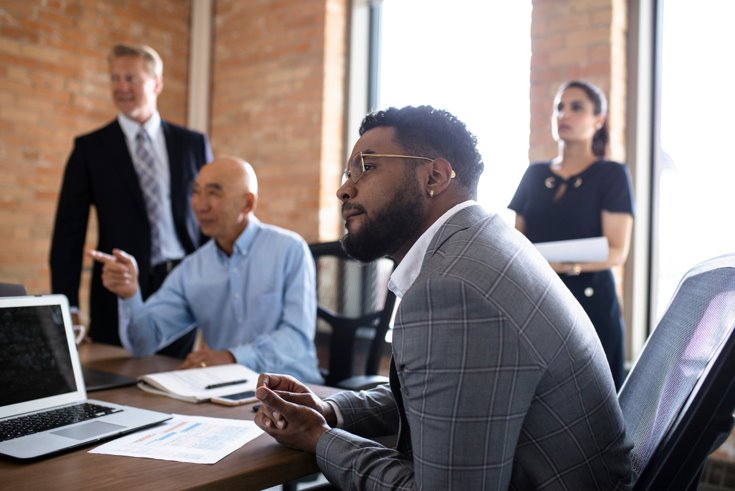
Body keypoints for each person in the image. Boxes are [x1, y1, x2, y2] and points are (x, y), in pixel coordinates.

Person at [253, 105, 633, 489]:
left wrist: (319, 438)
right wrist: (329, 411)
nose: (344, 188)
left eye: (366, 166)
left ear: (433, 176)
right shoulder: (486, 243)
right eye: (348, 172)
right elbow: (447, 396)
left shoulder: (452, 289)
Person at [89, 156, 322, 383]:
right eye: (196, 192)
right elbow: (143, 344)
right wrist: (129, 295)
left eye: (213, 193)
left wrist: (231, 357)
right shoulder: (192, 269)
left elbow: (296, 340)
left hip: (297, 390)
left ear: (248, 203)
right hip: (224, 390)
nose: (200, 205)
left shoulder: (290, 250)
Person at [50, 43, 212, 358]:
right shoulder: (89, 149)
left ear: (156, 83)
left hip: (182, 284)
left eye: (130, 78)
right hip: (116, 287)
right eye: (114, 79)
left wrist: (214, 291)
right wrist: (66, 305)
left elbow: (210, 218)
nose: (121, 87)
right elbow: (68, 234)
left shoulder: (193, 144)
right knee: (116, 386)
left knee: (176, 381)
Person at [509, 80, 635, 389]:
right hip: (537, 301)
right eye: (559, 107)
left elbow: (617, 250)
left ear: (598, 120)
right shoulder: (535, 174)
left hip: (590, 302)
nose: (564, 114)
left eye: (576, 107)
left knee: (596, 398)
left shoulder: (611, 175)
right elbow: (516, 245)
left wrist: (564, 267)